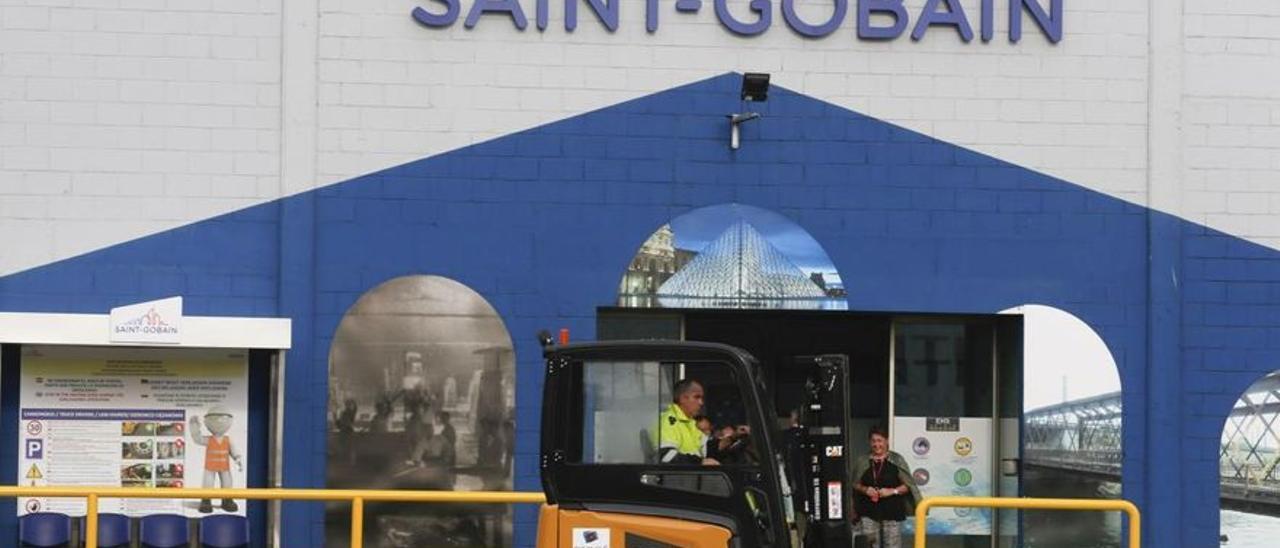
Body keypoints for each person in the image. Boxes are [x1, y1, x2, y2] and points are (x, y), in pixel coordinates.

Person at [852, 426, 920, 548]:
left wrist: (892, 491)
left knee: (892, 545)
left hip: (892, 512)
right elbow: (854, 484)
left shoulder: (897, 460)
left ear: (886, 441)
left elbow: (908, 486)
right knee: (869, 545)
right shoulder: (862, 461)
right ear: (869, 442)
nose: (877, 444)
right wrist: (865, 489)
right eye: (873, 441)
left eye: (880, 440)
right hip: (868, 512)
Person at [655, 379, 719, 465]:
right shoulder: (668, 421)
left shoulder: (690, 422)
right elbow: (666, 456)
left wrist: (731, 438)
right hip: (679, 477)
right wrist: (700, 462)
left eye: (701, 398)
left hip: (692, 475)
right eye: (697, 397)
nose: (701, 402)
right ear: (682, 398)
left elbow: (703, 448)